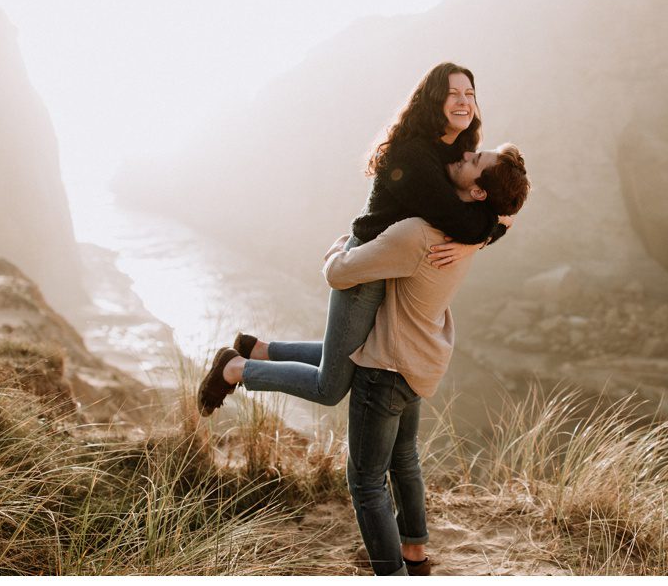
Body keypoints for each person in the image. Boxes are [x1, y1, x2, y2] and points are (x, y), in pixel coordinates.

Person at [197, 62, 510, 416]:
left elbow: (500, 208)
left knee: (353, 354)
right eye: (452, 93)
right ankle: (235, 368)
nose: (463, 101)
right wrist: (478, 237)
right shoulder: (415, 154)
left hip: (397, 268)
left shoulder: (458, 152)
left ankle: (258, 349)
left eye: (469, 94)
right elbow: (466, 221)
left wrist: (479, 237)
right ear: (433, 100)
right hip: (366, 267)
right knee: (330, 387)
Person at [328, 144, 528, 575]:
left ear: (477, 193)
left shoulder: (418, 233)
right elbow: (502, 217)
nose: (467, 153)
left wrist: (335, 249)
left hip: (385, 368)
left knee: (365, 482)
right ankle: (415, 554)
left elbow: (339, 273)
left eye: (475, 161)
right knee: (404, 460)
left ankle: (394, 575)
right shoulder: (468, 237)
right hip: (419, 367)